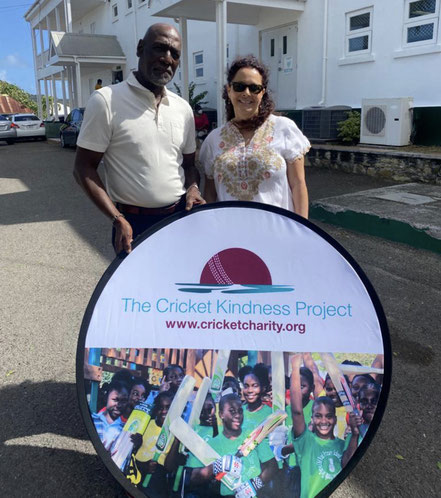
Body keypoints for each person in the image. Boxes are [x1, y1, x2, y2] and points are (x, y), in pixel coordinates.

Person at [74, 23, 205, 254]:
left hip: (179, 219)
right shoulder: (106, 101)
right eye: (159, 49)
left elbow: (189, 166)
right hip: (132, 224)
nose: (167, 59)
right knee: (138, 291)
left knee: (176, 288)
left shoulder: (182, 108)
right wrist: (117, 219)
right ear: (140, 48)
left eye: (174, 54)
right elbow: (83, 168)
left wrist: (193, 188)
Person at [200, 55, 310, 217]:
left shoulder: (284, 129)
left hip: (278, 233)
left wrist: (303, 231)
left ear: (262, 93)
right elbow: (210, 194)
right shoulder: (213, 140)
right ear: (229, 90)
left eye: (254, 88)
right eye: (239, 87)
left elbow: (298, 184)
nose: (246, 93)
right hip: (232, 235)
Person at [287, 355, 359, 498]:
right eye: (318, 416)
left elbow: (349, 466)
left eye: (328, 416)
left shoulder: (342, 444)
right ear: (312, 418)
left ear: (335, 417)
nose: (324, 421)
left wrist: (355, 434)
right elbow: (296, 411)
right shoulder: (306, 442)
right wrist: (295, 368)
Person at [187, 393, 277, 497]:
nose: (237, 415)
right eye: (232, 411)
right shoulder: (212, 444)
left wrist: (255, 484)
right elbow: (194, 479)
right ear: (221, 414)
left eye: (240, 411)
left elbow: (272, 465)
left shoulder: (252, 435)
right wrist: (217, 466)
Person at [92, 380, 129, 452]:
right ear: (106, 398)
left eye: (124, 401)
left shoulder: (124, 430)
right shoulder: (93, 420)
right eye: (115, 400)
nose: (119, 405)